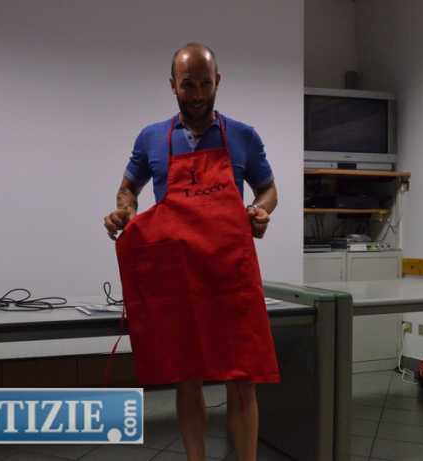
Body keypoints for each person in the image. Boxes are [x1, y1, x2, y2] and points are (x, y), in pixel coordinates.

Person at [104, 43, 279, 461]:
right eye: (188, 85)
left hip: (231, 276)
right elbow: (128, 188)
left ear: (218, 81)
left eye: (205, 83)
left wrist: (260, 210)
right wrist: (125, 212)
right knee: (188, 377)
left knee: (243, 378)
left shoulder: (243, 136)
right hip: (181, 278)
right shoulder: (151, 138)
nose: (197, 94)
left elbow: (268, 189)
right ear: (173, 85)